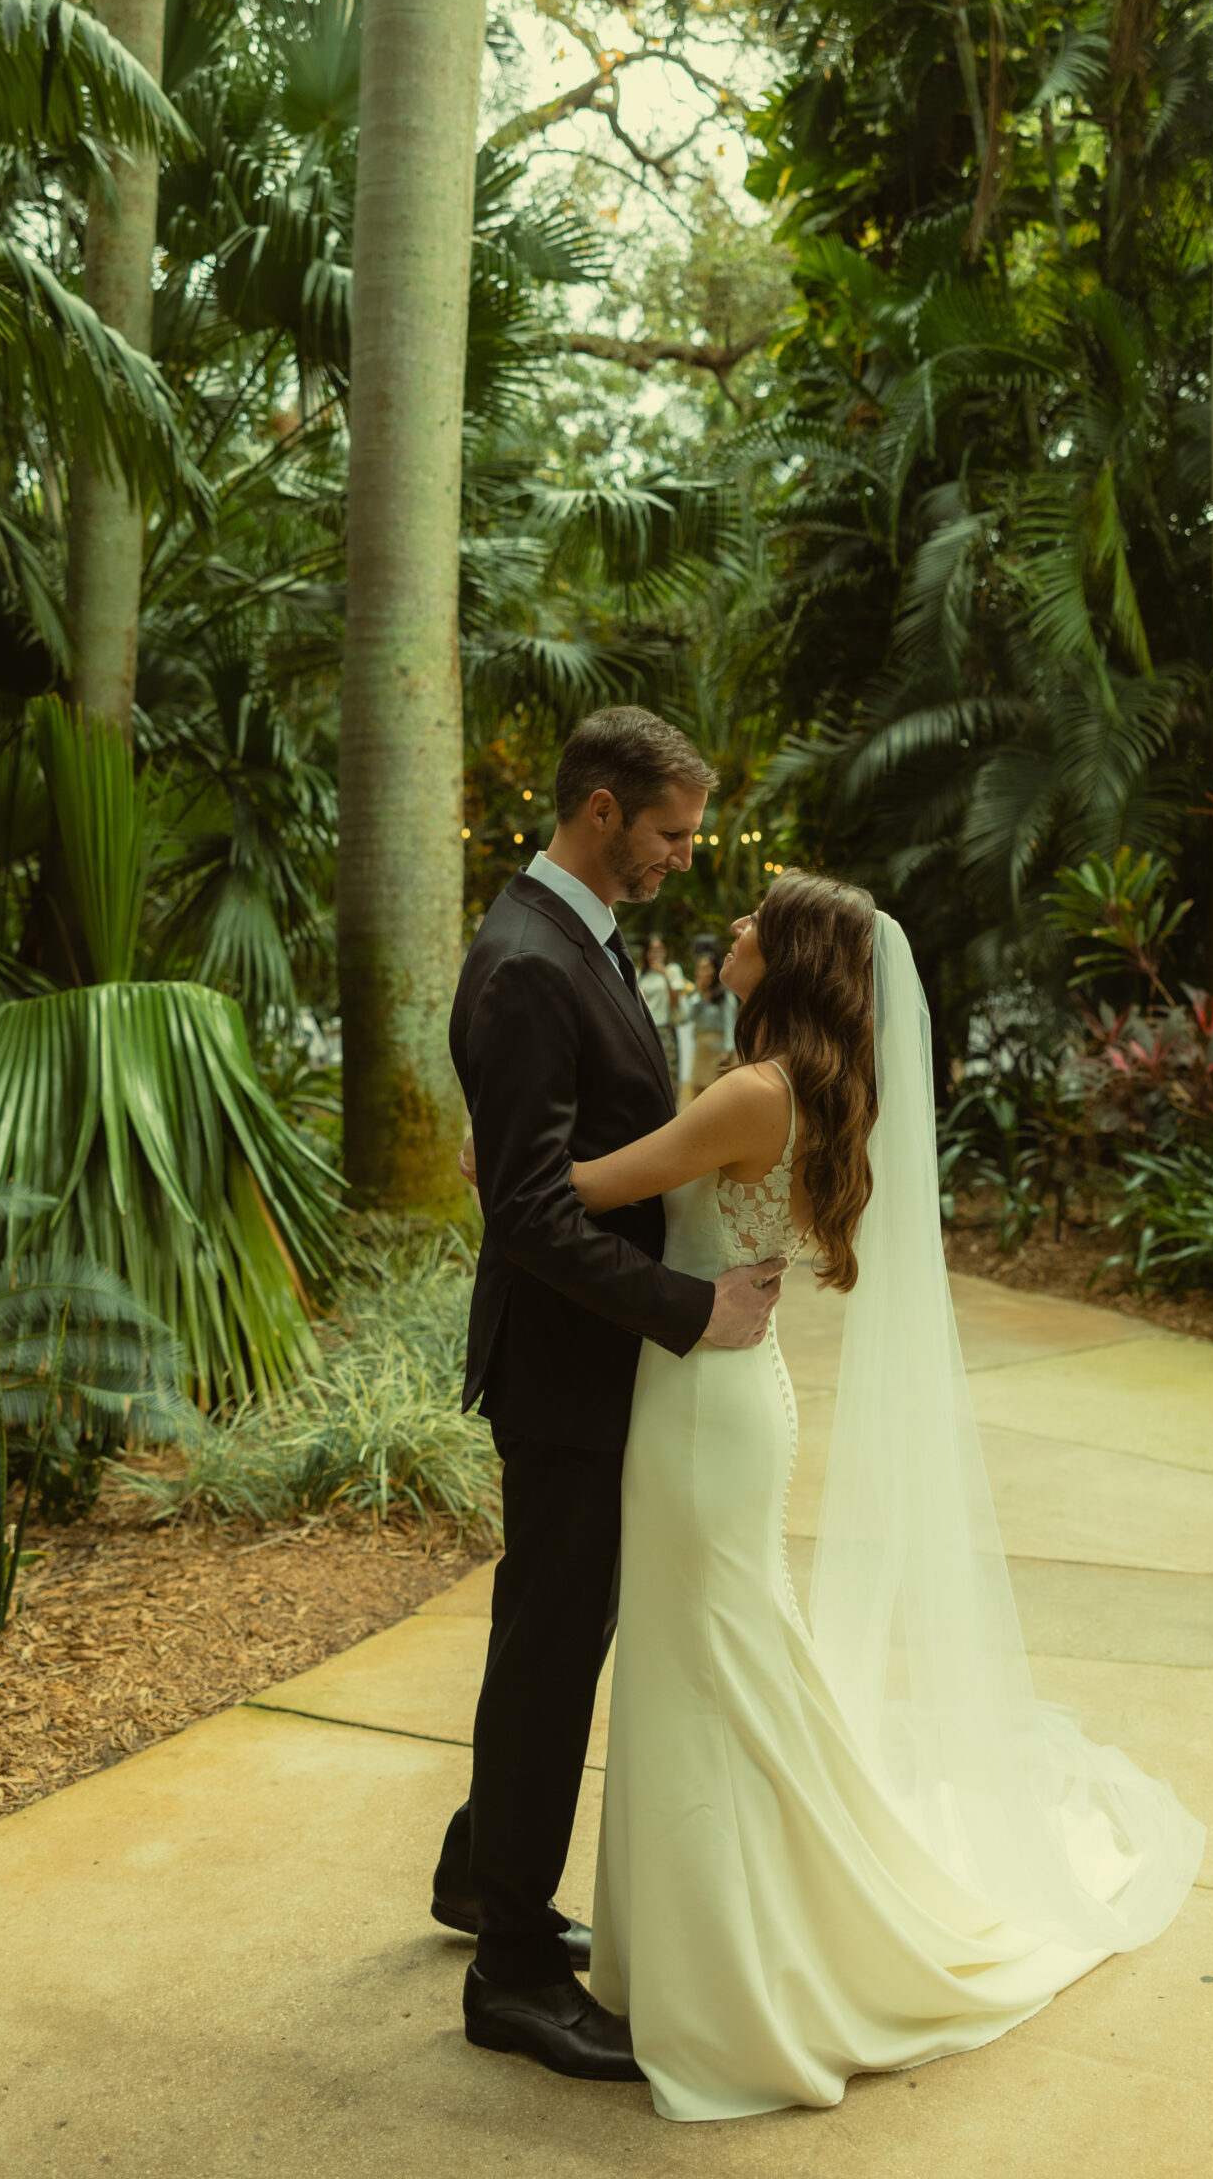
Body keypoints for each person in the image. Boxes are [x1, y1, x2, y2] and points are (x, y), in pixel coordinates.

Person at [566, 869, 1205, 2121]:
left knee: (715, 1669)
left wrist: (504, 1148)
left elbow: (593, 1187)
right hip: (726, 1393)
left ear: (794, 955)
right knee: (713, 1662)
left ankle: (753, 1976)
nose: (736, 928)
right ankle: (706, 1951)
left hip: (704, 1408)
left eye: (757, 918)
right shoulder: (806, 1088)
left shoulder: (756, 1092)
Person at [432, 706, 783, 2086]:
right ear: (596, 809)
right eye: (667, 833)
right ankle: (508, 1973)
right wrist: (689, 1312)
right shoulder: (526, 961)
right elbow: (525, 1212)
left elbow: (559, 1149)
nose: (680, 859)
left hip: (591, 1364)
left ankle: (480, 1876)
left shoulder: (568, 938)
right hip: (568, 1369)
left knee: (545, 1639)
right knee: (550, 1651)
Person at [678, 948, 736, 1102]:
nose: (702, 972)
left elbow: (730, 1023)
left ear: (714, 970)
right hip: (701, 1046)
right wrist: (698, 992)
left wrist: (728, 1050)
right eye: (699, 968)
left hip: (718, 1048)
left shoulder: (724, 995)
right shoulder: (699, 996)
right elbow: (687, 1017)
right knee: (696, 1089)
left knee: (714, 1093)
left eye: (705, 968)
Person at [636, 933, 690, 1064]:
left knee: (668, 1068)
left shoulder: (673, 970)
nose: (656, 953)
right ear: (646, 952)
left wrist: (664, 973)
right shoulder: (639, 974)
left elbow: (675, 1001)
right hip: (643, 1028)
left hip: (664, 1029)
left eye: (660, 949)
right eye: (652, 949)